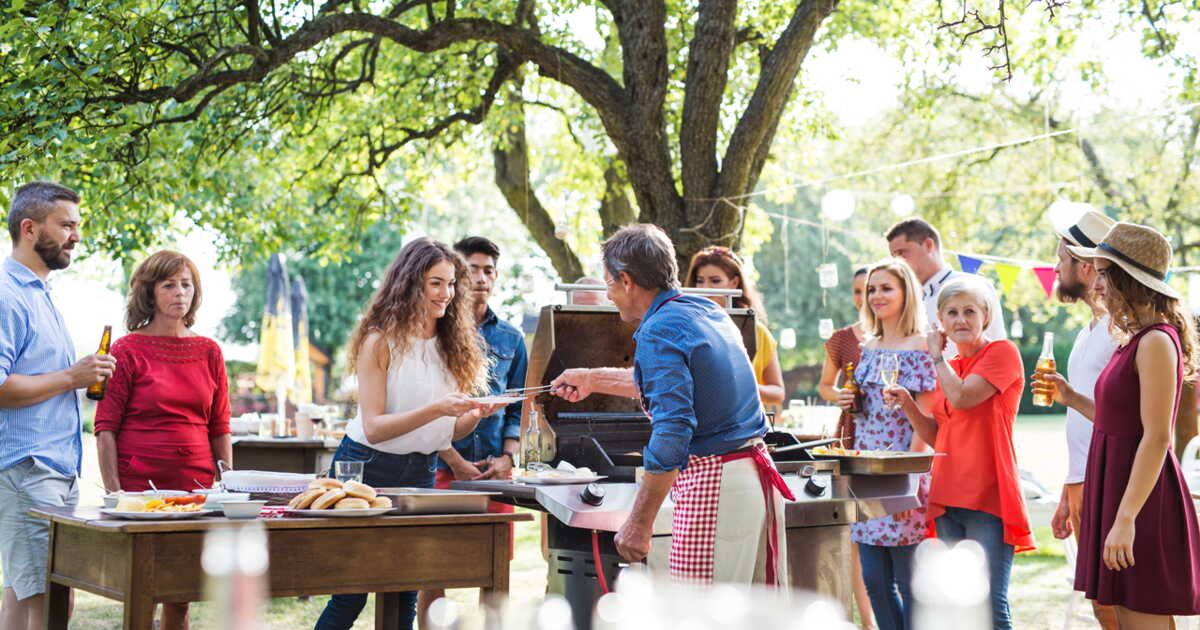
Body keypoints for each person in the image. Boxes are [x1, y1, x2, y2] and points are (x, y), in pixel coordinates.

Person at [550, 225, 791, 585]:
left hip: (715, 486)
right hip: (749, 483)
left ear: (628, 281)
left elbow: (673, 427)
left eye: (609, 283)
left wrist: (638, 522)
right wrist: (590, 377)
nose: (609, 294)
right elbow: (668, 384)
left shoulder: (659, 328)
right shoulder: (703, 311)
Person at [316, 238, 502, 630]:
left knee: (405, 592)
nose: (446, 294)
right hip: (364, 467)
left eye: (451, 284)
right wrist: (438, 408)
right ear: (410, 282)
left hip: (420, 470)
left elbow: (447, 429)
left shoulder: (454, 344)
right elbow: (375, 427)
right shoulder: (379, 341)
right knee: (351, 592)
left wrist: (476, 414)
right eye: (436, 283)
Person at [1041, 222, 1200, 628]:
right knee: (1125, 617)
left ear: (1128, 279)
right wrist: (1073, 398)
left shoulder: (1156, 342)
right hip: (1114, 488)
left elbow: (1156, 436)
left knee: (1142, 615)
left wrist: (1126, 518)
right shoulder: (1133, 338)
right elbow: (1119, 422)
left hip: (1140, 497)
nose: (1097, 285)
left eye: (1105, 274)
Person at [93, 250, 232, 630]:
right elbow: (105, 428)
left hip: (196, 491)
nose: (179, 293)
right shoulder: (126, 350)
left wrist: (229, 484)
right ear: (149, 292)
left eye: (186, 284)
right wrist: (114, 493)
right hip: (140, 493)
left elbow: (220, 425)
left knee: (181, 594)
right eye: (168, 285)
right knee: (140, 594)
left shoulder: (209, 351)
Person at [885, 276, 1033, 630]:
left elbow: (965, 397)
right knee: (960, 609)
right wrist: (907, 402)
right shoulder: (949, 371)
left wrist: (936, 354)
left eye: (970, 311)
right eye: (952, 313)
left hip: (988, 496)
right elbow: (940, 437)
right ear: (941, 321)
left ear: (986, 315)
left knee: (990, 604)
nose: (961, 320)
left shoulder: (1002, 353)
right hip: (948, 495)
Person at [0, 182, 116, 630]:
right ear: (29, 228)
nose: (76, 235)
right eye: (66, 225)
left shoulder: (39, 293)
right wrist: (72, 376)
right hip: (28, 470)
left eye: (78, 226)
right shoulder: (9, 295)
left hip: (52, 470)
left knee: (23, 593)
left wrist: (80, 377)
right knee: (48, 603)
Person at [420, 236, 527, 626]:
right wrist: (455, 460)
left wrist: (508, 457)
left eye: (488, 270)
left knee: (495, 571)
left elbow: (518, 408)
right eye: (472, 269)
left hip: (495, 474)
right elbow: (427, 407)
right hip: (441, 468)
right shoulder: (434, 333)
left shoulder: (512, 339)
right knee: (432, 570)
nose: (480, 278)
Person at [835, 259, 936, 630]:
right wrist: (851, 401)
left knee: (908, 581)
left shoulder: (923, 346)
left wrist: (911, 481)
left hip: (901, 469)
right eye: (872, 289)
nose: (876, 295)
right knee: (874, 580)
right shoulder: (869, 344)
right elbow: (868, 404)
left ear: (906, 293)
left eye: (886, 288)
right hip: (865, 470)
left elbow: (925, 422)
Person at [1041, 211, 1119, 629]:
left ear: (1084, 266)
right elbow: (1082, 419)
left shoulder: (1120, 331)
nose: (1055, 269)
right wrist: (1066, 493)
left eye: (1061, 259)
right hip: (1082, 482)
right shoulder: (1090, 330)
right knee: (1100, 604)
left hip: (1110, 480)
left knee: (1120, 602)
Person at [816, 266, 875, 629]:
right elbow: (826, 384)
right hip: (851, 436)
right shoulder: (841, 339)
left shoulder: (903, 336)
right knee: (853, 531)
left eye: (870, 289)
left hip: (889, 440)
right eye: (857, 291)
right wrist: (835, 395)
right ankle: (868, 622)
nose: (864, 298)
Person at [886, 218, 1005, 357]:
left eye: (902, 253)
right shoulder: (907, 298)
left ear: (928, 245)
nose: (897, 263)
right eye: (894, 256)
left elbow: (998, 347)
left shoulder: (974, 284)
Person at [684, 246, 785, 408]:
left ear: (734, 283)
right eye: (699, 281)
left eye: (715, 281)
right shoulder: (684, 328)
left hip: (748, 426)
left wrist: (743, 384)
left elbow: (778, 393)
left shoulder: (757, 332)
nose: (705, 289)